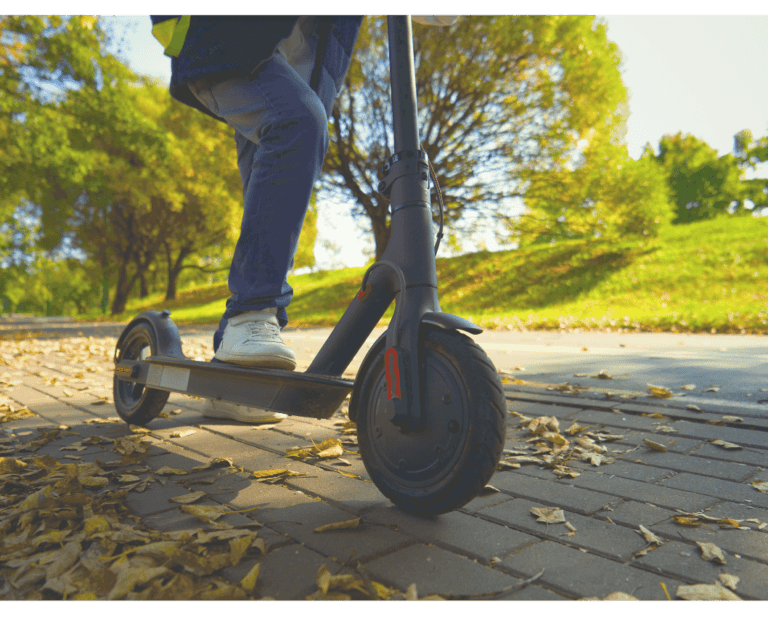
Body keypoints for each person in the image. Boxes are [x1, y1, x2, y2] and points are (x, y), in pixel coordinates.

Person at [150, 15, 364, 423]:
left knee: (275, 170)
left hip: (298, 70)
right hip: (227, 41)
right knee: (296, 122)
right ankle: (251, 315)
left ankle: (231, 378)